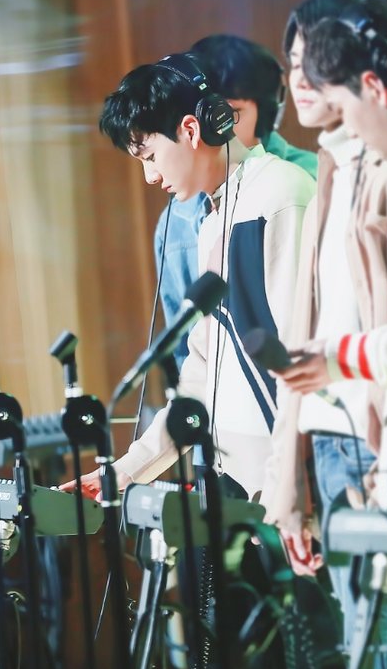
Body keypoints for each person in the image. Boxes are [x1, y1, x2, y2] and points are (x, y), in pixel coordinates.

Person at [61, 49, 315, 503]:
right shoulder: (212, 221)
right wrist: (126, 471)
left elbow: (297, 355)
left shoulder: (280, 195)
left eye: (150, 156)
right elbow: (202, 371)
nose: (150, 177)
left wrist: (293, 482)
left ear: (192, 130)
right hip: (236, 480)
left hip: (286, 481)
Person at [266, 0, 387, 669]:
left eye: (319, 74)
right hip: (360, 435)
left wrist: (339, 358)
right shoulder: (347, 169)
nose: (302, 83)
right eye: (294, 66)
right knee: (383, 649)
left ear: (369, 84)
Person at [154, 34, 317, 372]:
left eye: (233, 113)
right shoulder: (175, 223)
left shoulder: (310, 179)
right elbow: (186, 348)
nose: (219, 128)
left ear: (266, 111)